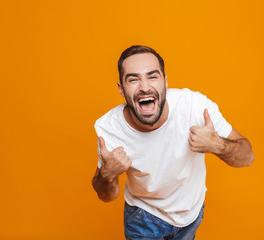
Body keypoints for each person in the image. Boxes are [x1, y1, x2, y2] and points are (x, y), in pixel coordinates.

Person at [92, 45, 254, 240]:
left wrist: (217, 145)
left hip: (190, 214)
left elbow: (247, 157)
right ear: (121, 89)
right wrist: (107, 174)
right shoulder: (109, 128)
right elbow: (107, 196)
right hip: (143, 218)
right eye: (133, 79)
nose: (144, 87)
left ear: (165, 82)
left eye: (153, 77)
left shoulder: (195, 106)